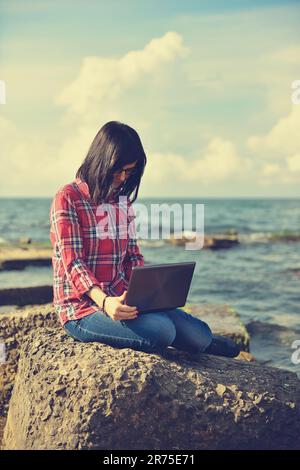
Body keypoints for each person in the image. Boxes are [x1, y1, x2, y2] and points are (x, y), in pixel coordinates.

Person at [49, 121, 240, 358]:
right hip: (82, 309)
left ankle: (199, 342)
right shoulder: (67, 197)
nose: (122, 178)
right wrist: (106, 302)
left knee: (199, 333)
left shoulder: (122, 202)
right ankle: (180, 338)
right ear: (100, 161)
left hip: (122, 297)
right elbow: (74, 263)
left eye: (129, 171)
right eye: (117, 170)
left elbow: (132, 256)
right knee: (162, 332)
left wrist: (148, 294)